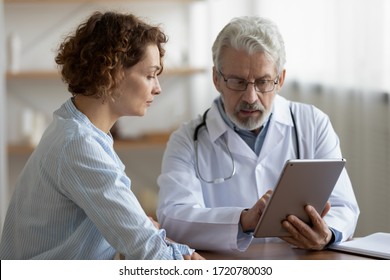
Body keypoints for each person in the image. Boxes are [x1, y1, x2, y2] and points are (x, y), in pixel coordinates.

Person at [0, 11, 204, 260]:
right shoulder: (78, 144)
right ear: (114, 72)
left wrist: (149, 235)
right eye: (150, 75)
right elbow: (149, 251)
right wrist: (185, 258)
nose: (157, 88)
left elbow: (131, 232)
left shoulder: (76, 129)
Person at [156, 16, 360, 252]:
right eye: (237, 82)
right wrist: (244, 220)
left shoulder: (313, 124)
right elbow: (172, 217)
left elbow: (344, 206)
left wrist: (327, 233)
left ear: (280, 79)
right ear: (216, 79)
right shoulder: (186, 140)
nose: (251, 97)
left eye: (263, 82)